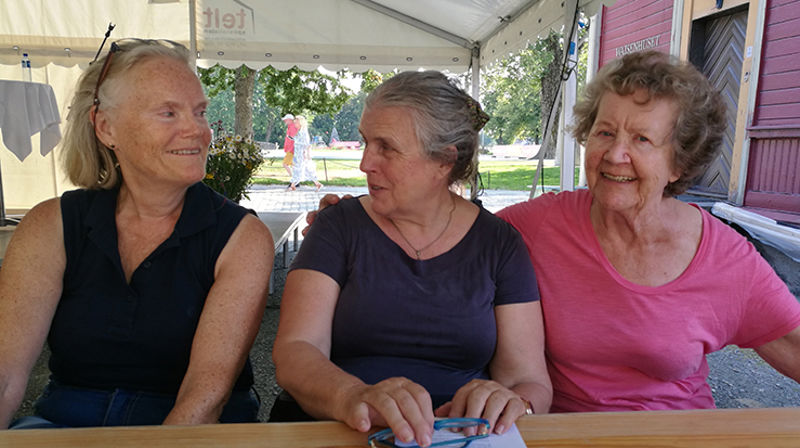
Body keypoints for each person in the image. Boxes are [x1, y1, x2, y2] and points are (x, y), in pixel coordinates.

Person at [310, 51, 800, 413]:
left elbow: (792, 345)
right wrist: (359, 222)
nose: (615, 154)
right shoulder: (538, 225)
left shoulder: (724, 258)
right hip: (562, 434)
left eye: (642, 139)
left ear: (680, 162)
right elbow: (449, 232)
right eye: (604, 132)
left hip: (672, 435)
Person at [0, 38, 274, 429]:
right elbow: (5, 374)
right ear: (105, 127)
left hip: (189, 433)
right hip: (66, 423)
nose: (197, 130)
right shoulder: (52, 224)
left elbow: (204, 399)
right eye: (168, 113)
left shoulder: (240, 237)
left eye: (199, 112)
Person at [271, 71, 551, 447]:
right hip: (342, 428)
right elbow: (295, 350)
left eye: (386, 147)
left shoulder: (499, 244)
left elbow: (527, 380)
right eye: (366, 142)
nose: (365, 163)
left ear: (444, 161)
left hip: (462, 437)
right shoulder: (337, 226)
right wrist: (352, 397)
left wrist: (514, 403)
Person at [287, 115, 322, 191]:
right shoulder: (300, 132)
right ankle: (317, 183)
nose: (295, 125)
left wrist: (306, 153)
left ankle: (293, 185)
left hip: (301, 154)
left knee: (298, 169)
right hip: (298, 154)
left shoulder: (303, 132)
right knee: (305, 169)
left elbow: (307, 144)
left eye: (296, 123)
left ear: (300, 123)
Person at [281, 113, 297, 179]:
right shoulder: (291, 127)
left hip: (291, 149)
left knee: (285, 164)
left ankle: (293, 177)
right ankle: (295, 178)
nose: (284, 121)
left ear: (290, 120)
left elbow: (293, 139)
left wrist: (290, 149)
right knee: (293, 164)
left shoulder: (292, 127)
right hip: (291, 149)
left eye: (286, 120)